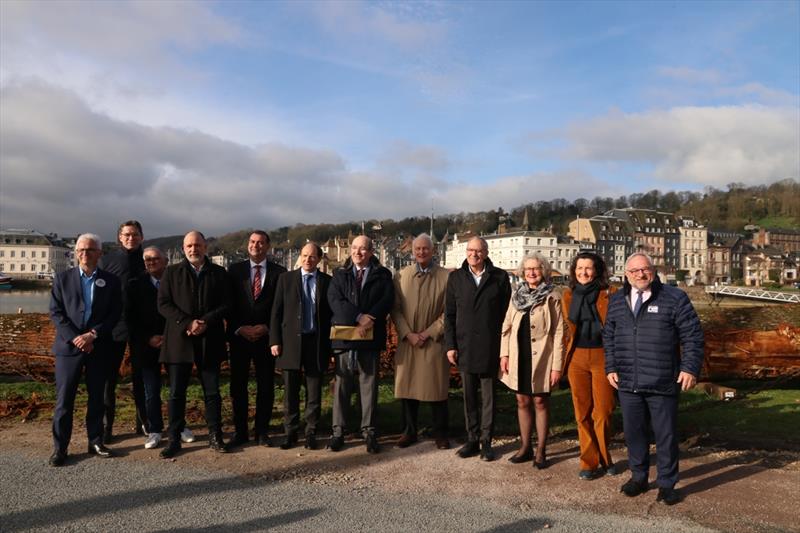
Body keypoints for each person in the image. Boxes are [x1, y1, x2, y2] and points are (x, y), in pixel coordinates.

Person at [603, 252, 704, 506]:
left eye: (644, 269)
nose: (640, 274)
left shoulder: (674, 298)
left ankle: (667, 484)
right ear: (626, 275)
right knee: (634, 433)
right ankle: (638, 477)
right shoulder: (617, 300)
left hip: (662, 380)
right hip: (627, 380)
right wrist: (611, 366)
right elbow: (609, 337)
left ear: (654, 270)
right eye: (634, 271)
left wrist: (690, 368)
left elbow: (692, 335)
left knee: (665, 435)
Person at [48, 233, 122, 466]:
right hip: (68, 349)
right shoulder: (62, 279)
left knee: (97, 397)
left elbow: (114, 313)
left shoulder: (111, 281)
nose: (84, 254)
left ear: (99, 253)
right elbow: (56, 313)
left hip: (98, 347)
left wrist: (92, 334)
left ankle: (96, 440)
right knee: (64, 400)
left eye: (90, 250)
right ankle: (60, 447)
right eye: (80, 250)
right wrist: (75, 338)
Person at [157, 231, 230, 458]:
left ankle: (215, 435)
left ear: (205, 246)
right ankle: (174, 439)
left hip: (210, 339)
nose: (193, 249)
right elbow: (163, 304)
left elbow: (227, 304)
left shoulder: (219, 273)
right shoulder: (171, 273)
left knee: (212, 392)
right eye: (189, 245)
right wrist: (187, 322)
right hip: (180, 340)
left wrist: (206, 322)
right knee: (177, 393)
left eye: (197, 245)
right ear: (183, 247)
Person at [445, 237, 511, 461]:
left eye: (478, 251)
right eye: (470, 250)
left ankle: (486, 442)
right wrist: (450, 345)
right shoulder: (455, 278)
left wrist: (505, 349)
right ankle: (472, 439)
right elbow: (450, 315)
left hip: (491, 346)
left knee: (489, 397)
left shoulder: (500, 278)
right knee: (469, 397)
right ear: (466, 252)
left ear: (486, 252)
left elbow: (506, 316)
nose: (474, 254)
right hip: (464, 346)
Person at [327, 235, 394, 454]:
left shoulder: (383, 275)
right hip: (345, 336)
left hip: (371, 336)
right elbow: (335, 300)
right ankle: (338, 432)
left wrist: (371, 317)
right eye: (354, 248)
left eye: (363, 249)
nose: (357, 252)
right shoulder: (339, 274)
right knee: (342, 385)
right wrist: (358, 317)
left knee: (369, 384)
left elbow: (387, 299)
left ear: (371, 251)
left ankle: (369, 431)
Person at [500, 253, 564, 469]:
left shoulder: (552, 295)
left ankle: (541, 450)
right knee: (522, 401)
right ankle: (525, 447)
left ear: (543, 270)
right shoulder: (516, 295)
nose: (531, 273)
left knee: (540, 401)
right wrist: (504, 355)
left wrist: (557, 366)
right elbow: (506, 327)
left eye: (535, 268)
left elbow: (558, 333)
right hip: (519, 355)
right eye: (528, 269)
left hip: (543, 358)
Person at [226, 231, 286, 449]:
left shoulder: (280, 273)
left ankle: (262, 431)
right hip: (240, 337)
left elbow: (280, 307)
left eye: (260, 242)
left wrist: (268, 328)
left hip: (265, 338)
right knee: (238, 386)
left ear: (268, 246)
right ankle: (240, 431)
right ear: (247, 245)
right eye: (252, 242)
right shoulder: (234, 271)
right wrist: (239, 328)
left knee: (266, 386)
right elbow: (228, 304)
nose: (256, 246)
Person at [561, 251, 618, 479]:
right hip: (576, 358)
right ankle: (588, 461)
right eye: (579, 269)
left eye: (588, 268)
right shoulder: (568, 295)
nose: (583, 272)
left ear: (597, 270)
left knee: (603, 411)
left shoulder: (610, 294)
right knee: (581, 411)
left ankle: (605, 457)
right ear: (574, 272)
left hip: (603, 356)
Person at [390, 234, 451, 450]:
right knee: (408, 390)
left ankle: (441, 433)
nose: (421, 252)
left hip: (433, 341)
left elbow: (448, 313)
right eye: (418, 249)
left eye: (426, 249)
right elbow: (395, 310)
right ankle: (409, 431)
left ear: (433, 251)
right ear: (412, 251)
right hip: (409, 341)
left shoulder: (446, 277)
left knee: (437, 390)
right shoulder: (401, 276)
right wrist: (407, 333)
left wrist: (428, 333)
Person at [270, 242, 332, 450]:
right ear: (300, 256)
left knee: (314, 392)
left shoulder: (327, 282)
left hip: (316, 343)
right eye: (304, 255)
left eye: (312, 256)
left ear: (319, 259)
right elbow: (276, 312)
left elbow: (331, 316)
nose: (307, 260)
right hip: (290, 343)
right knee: (291, 393)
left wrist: (330, 347)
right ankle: (291, 432)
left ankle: (311, 432)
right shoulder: (286, 279)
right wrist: (274, 341)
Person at [97, 220, 145, 442]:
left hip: (142, 327)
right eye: (126, 234)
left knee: (142, 377)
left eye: (135, 234)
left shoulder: (150, 259)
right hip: (113, 327)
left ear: (141, 237)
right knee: (109, 380)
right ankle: (107, 427)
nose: (130, 238)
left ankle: (143, 423)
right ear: (119, 237)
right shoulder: (106, 261)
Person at [126, 246, 168, 449]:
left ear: (165, 260)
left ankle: (179, 425)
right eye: (148, 259)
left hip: (172, 343)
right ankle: (155, 429)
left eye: (156, 258)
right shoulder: (134, 285)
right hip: (145, 345)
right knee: (151, 390)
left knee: (177, 388)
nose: (151, 262)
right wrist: (148, 338)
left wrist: (169, 336)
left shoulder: (174, 282)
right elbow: (130, 319)